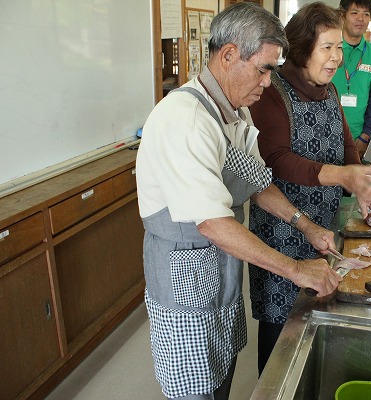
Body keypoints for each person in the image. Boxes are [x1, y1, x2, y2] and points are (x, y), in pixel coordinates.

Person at [135, 3, 343, 399]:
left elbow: (257, 184)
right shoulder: (185, 120)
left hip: (222, 271)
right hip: (185, 279)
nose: (269, 81)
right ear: (229, 55)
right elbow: (213, 222)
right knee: (196, 388)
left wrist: (307, 226)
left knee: (222, 376)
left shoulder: (233, 112)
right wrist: (296, 269)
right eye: (263, 68)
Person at [247, 1, 371, 375]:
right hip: (281, 229)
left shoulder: (329, 92)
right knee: (280, 328)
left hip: (320, 226)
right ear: (302, 46)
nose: (337, 57)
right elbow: (276, 160)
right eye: (327, 47)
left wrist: (361, 185)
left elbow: (346, 146)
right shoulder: (272, 92)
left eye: (339, 47)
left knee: (310, 319)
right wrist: (341, 177)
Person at [332, 0, 371, 158]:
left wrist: (365, 136)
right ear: (343, 16)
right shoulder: (330, 48)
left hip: (358, 138)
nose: (361, 19)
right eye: (354, 13)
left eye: (366, 14)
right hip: (325, 134)